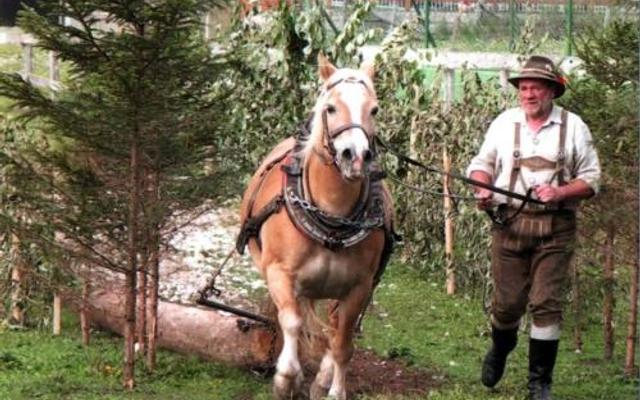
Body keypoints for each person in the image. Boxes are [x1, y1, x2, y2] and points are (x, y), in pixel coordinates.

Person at [466, 55, 601, 400]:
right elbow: (481, 165)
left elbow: (591, 180)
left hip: (556, 230)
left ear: (552, 91)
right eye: (523, 88)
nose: (528, 94)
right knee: (507, 306)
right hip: (509, 227)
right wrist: (482, 189)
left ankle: (540, 383)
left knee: (546, 304)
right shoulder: (504, 123)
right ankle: (500, 349)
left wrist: (559, 191)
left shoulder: (574, 127)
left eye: (536, 88)